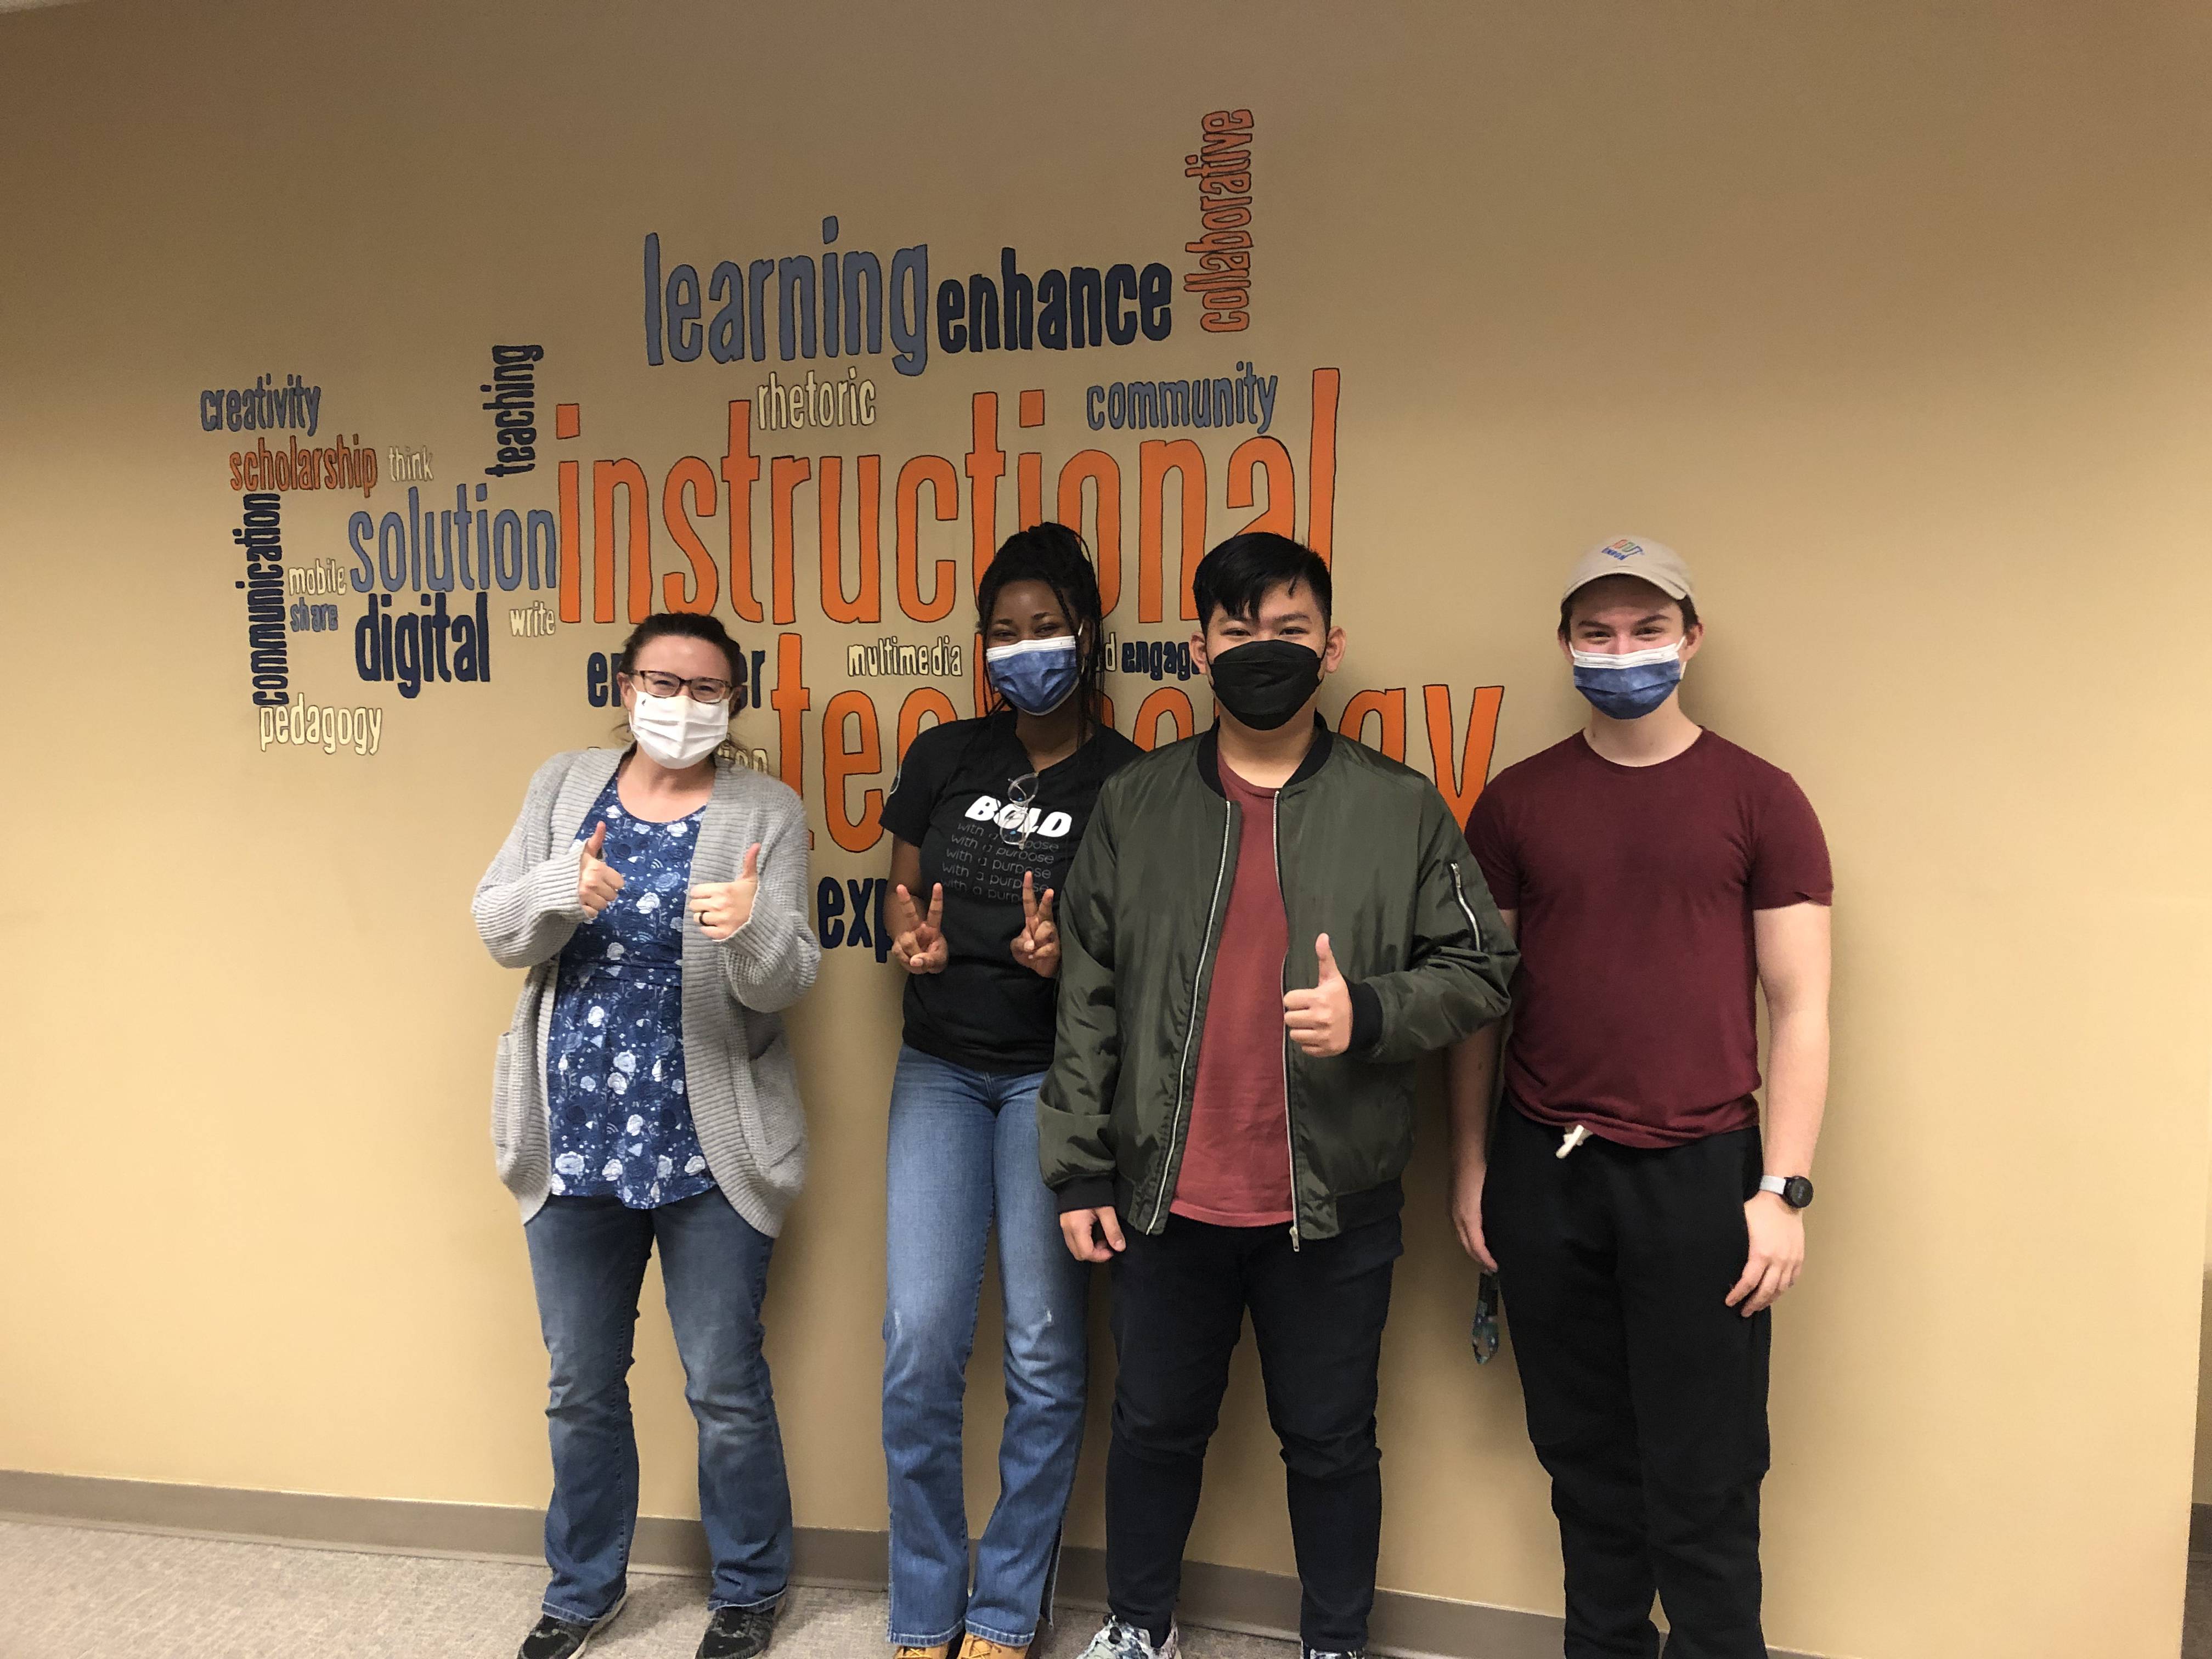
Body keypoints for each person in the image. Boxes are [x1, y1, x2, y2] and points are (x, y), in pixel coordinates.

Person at [1040, 531, 1518, 1659]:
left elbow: (1485, 966)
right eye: (1240, 630)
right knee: (1155, 1429)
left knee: (1332, 1441)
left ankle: (1334, 1641)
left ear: (1331, 645)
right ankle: (1137, 1627)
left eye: (1291, 631)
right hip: (1168, 1193)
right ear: (1200, 647)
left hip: (1332, 1197)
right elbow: (1089, 995)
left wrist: (1375, 1016)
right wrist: (1079, 1166)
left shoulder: (1398, 808)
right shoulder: (1140, 802)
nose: (1266, 651)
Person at [1447, 537, 1832, 1659]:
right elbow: (1482, 1004)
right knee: (1586, 1471)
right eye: (1599, 634)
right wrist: (1471, 1162)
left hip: (1706, 1178)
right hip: (1545, 1173)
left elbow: (1800, 1006)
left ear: (1690, 637)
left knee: (1707, 1482)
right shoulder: (1517, 805)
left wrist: (1784, 1190)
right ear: (1566, 647)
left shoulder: (1763, 800)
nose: (1624, 654)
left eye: (1648, 630)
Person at [473, 611, 820, 1659]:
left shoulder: (768, 808)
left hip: (708, 1146)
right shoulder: (563, 785)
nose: (681, 705)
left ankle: (752, 1587)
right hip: (572, 1138)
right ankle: (583, 1591)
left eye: (706, 689)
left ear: (732, 703)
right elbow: (495, 925)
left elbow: (789, 976)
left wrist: (749, 924)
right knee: (581, 1383)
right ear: (626, 686)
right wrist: (555, 891)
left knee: (722, 1381)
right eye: (662, 682)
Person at [876, 523, 1142, 1659]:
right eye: (1005, 631)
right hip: (939, 1069)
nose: (1026, 649)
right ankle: (927, 1602)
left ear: (1088, 634)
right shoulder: (946, 756)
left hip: (1055, 1081)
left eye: (1047, 627)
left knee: (1043, 1350)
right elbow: (900, 893)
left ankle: (1005, 1606)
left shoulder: (1129, 783)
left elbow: (1139, 955)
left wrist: (1065, 960)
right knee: (920, 1342)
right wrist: (912, 943)